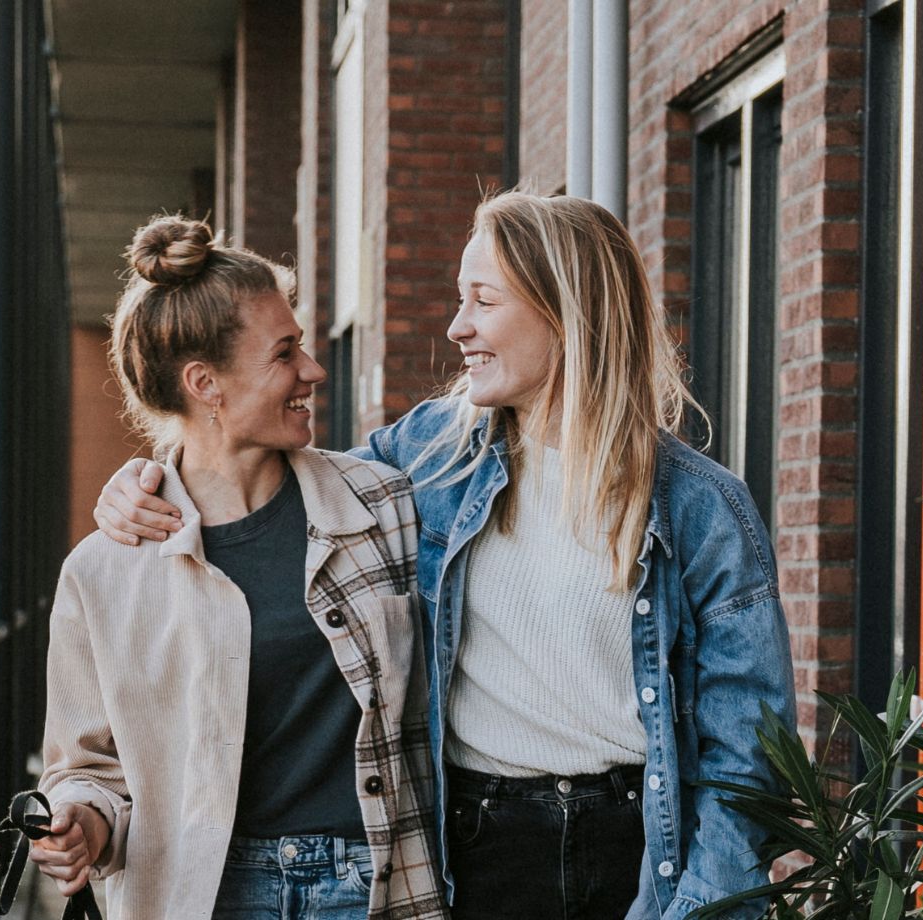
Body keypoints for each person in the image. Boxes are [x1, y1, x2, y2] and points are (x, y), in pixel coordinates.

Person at [94, 191, 792, 920]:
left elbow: (750, 761)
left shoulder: (701, 509)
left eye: (482, 302)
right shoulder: (433, 454)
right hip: (473, 851)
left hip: (643, 854)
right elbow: (273, 486)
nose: (457, 328)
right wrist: (154, 473)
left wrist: (701, 909)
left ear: (566, 312)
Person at [33, 215, 446, 920]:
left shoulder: (384, 506)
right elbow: (85, 767)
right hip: (205, 893)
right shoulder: (105, 570)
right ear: (206, 383)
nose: (313, 371)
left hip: (375, 885)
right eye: (285, 354)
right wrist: (80, 826)